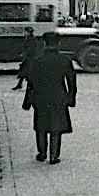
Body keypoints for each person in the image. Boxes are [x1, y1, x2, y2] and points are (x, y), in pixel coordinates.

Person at [23, 32, 76, 165]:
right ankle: (54, 155)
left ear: (44, 43)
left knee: (41, 125)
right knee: (56, 125)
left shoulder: (36, 60)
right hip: (58, 96)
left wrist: (27, 101)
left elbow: (31, 82)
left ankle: (42, 153)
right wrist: (71, 98)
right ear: (58, 43)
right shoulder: (65, 60)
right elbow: (71, 81)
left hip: (40, 97)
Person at [12, 27, 41, 91]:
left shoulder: (31, 39)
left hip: (30, 58)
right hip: (28, 58)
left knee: (27, 73)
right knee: (24, 72)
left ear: (28, 32)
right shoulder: (30, 38)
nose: (24, 33)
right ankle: (20, 85)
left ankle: (24, 85)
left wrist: (24, 54)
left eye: (25, 32)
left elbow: (30, 49)